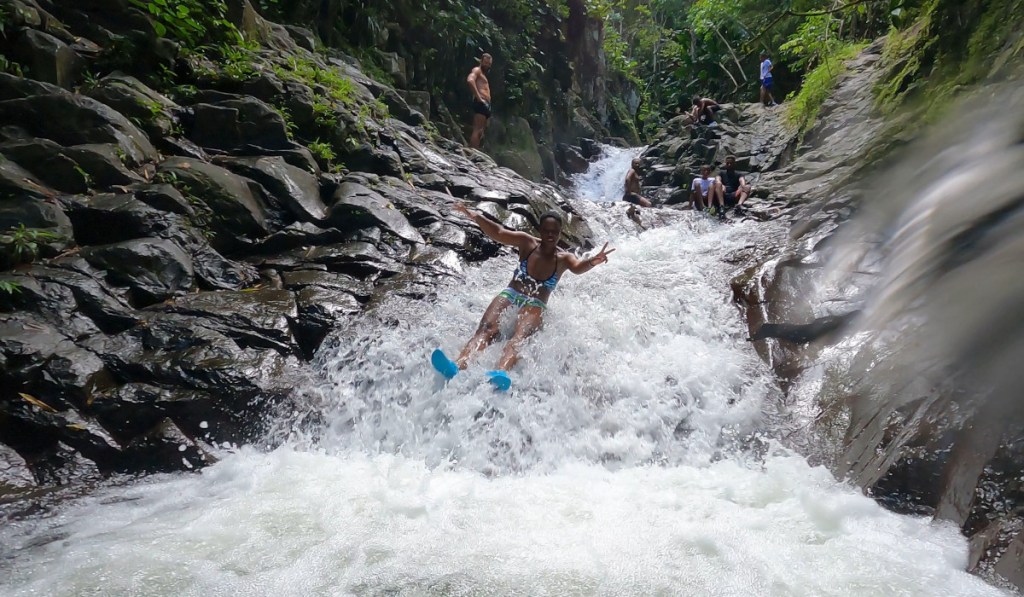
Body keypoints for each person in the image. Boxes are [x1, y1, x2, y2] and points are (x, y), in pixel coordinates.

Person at [432, 206, 616, 390]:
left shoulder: (563, 258)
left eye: (555, 232)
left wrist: (593, 261)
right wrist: (475, 216)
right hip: (512, 293)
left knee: (519, 336)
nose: (551, 235)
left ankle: (500, 372)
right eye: (547, 231)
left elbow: (578, 267)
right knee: (486, 329)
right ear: (540, 231)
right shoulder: (527, 243)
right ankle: (457, 365)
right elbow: (498, 232)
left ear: (560, 233)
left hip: (535, 302)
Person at [466, 53, 493, 149]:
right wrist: (478, 97)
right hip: (480, 102)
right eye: (485, 63)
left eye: (489, 64)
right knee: (477, 129)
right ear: (481, 61)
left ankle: (474, 149)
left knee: (481, 131)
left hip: (486, 104)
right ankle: (471, 151)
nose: (487, 65)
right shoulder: (477, 70)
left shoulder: (483, 75)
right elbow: (470, 80)